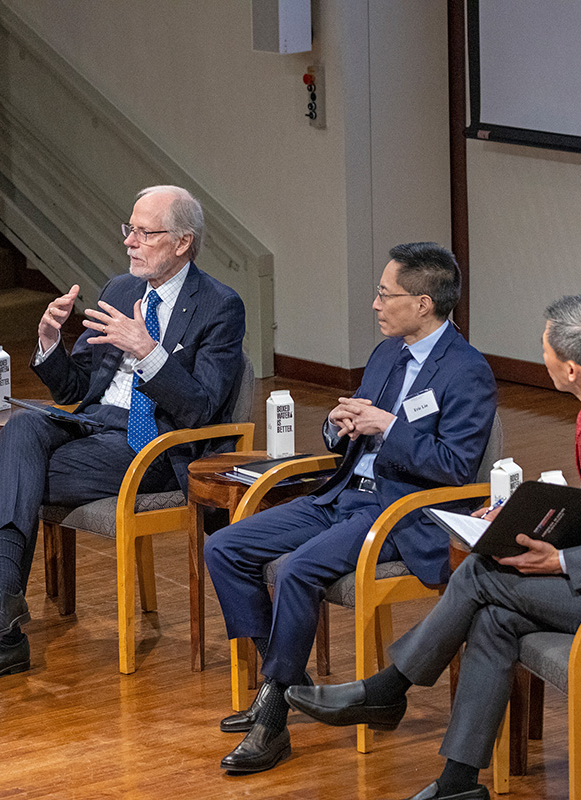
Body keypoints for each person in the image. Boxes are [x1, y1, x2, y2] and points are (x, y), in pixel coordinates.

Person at [287, 296, 581, 800]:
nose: (539, 355)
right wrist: (531, 516)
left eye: (544, 347)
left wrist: (560, 558)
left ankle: (388, 690)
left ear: (570, 367)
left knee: (479, 575)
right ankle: (457, 783)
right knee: (493, 619)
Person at [0, 185, 246, 686]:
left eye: (145, 233)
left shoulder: (220, 306)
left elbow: (203, 408)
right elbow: (80, 387)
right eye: (129, 230)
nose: (130, 242)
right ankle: (0, 619)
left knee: (8, 467)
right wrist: (50, 343)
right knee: (26, 424)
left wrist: (149, 353)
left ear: (183, 242)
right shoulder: (119, 289)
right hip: (94, 427)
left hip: (154, 447)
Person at [205, 242, 497, 774]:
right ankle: (288, 680)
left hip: (400, 511)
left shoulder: (467, 371)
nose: (376, 304)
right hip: (343, 493)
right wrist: (338, 425)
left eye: (386, 294)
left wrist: (388, 427)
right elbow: (352, 431)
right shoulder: (388, 352)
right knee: (225, 546)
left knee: (297, 570)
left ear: (425, 303)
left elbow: (456, 468)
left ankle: (272, 715)